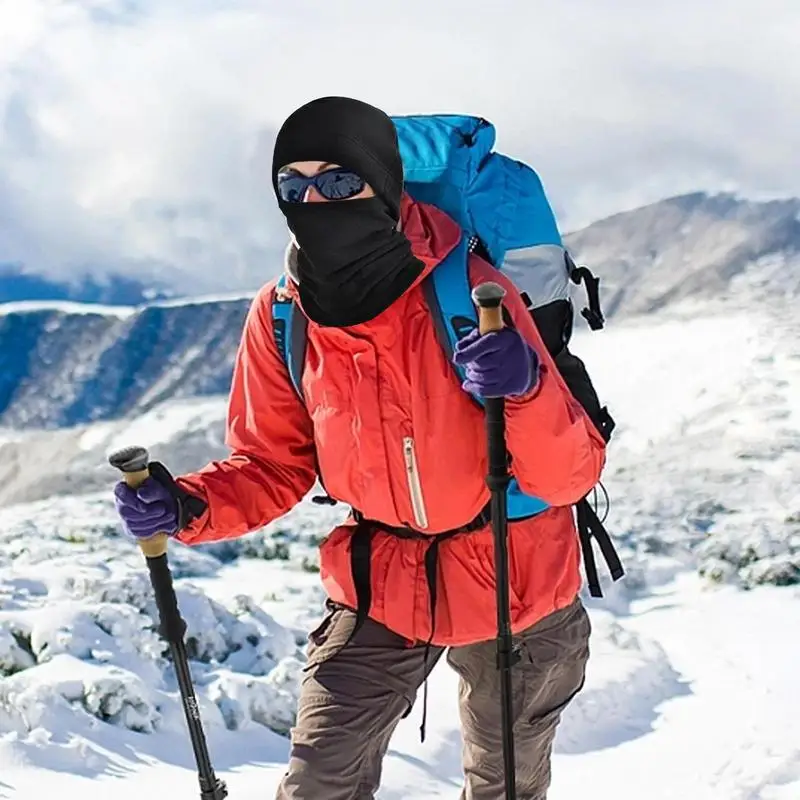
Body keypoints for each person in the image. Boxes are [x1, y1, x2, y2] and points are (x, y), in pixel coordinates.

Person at [113, 96, 607, 800]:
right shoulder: (284, 312)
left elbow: (569, 473)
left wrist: (525, 388)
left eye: (340, 182)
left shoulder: (473, 289)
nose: (316, 199)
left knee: (506, 790)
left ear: (383, 182)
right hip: (384, 584)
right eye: (295, 185)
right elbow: (272, 463)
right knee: (319, 783)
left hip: (517, 576)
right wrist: (187, 503)